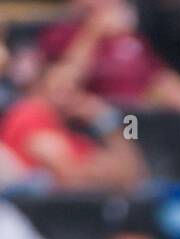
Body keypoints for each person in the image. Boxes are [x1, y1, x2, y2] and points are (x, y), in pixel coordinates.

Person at [31, 0, 180, 110]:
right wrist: (93, 32)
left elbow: (160, 79)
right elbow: (61, 85)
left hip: (132, 118)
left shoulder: (130, 38)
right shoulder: (62, 34)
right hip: (88, 122)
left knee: (137, 128)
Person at [0, 63, 145, 192]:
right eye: (60, 87)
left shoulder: (73, 133)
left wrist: (109, 124)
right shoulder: (30, 113)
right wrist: (99, 173)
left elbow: (133, 175)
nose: (69, 93)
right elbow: (69, 178)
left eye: (76, 87)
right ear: (38, 88)